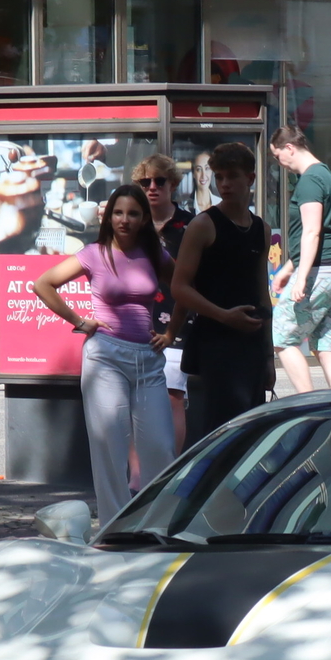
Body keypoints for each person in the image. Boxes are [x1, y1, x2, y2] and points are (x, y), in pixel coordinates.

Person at [33, 183, 178, 522]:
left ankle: (157, 523)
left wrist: (171, 332)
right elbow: (43, 284)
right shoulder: (94, 253)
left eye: (132, 213)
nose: (124, 220)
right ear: (109, 216)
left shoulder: (155, 254)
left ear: (143, 219)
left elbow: (185, 287)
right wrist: (79, 321)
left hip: (148, 359)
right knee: (109, 450)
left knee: (160, 446)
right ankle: (114, 527)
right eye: (118, 212)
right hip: (105, 357)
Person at [169, 141, 273, 445]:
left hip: (251, 344)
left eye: (232, 176)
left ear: (250, 179)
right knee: (221, 432)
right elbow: (180, 287)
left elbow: (262, 293)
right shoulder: (203, 224)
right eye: (220, 176)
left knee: (251, 430)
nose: (224, 184)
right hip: (216, 344)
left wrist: (268, 356)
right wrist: (223, 316)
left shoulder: (261, 229)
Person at [269, 126, 331, 393]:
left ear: (289, 148)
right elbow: (322, 231)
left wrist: (300, 277)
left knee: (282, 336)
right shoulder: (325, 174)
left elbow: (313, 231)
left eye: (277, 155)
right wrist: (288, 268)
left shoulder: (309, 181)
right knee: (324, 343)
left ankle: (307, 401)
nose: (278, 162)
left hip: (319, 271)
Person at [134, 153, 195, 446]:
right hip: (135, 325)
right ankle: (136, 481)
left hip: (177, 324)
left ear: (173, 184)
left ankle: (172, 469)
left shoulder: (191, 225)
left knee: (172, 397)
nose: (152, 187)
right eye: (145, 182)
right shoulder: (131, 225)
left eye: (160, 181)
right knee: (136, 401)